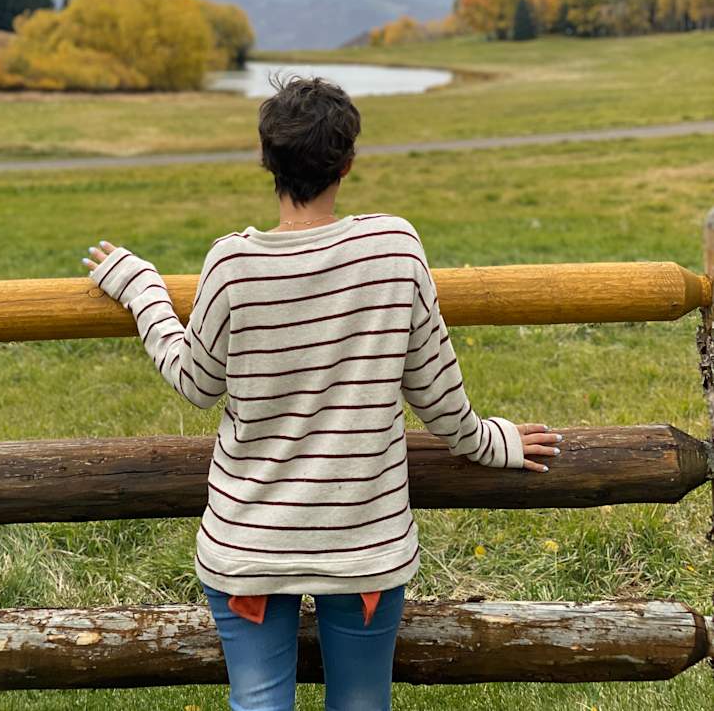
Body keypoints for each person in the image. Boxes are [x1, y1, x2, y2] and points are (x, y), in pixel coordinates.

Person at [82, 71, 562, 711]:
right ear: (348, 162)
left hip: (248, 542)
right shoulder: (395, 247)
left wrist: (141, 288)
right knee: (362, 704)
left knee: (259, 702)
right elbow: (438, 396)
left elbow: (197, 383)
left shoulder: (231, 263)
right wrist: (490, 442)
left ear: (267, 161)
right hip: (363, 543)